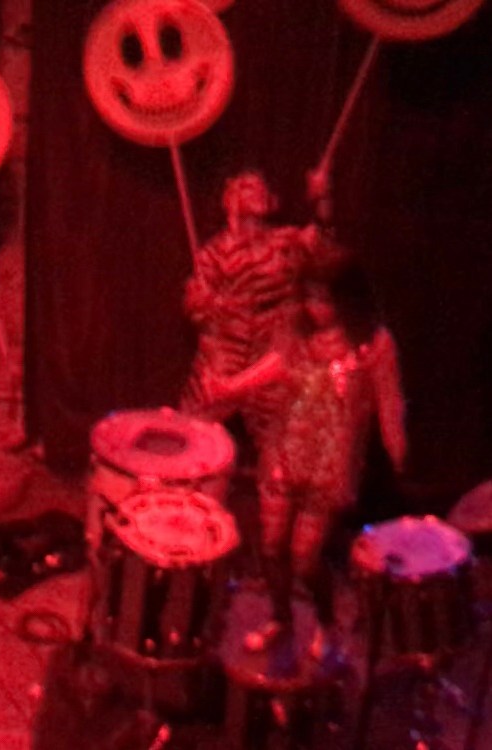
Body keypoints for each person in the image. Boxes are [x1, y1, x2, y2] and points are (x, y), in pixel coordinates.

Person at [204, 259, 407, 663]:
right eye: (310, 297)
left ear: (347, 300)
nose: (316, 307)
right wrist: (229, 387)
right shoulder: (296, 331)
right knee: (271, 547)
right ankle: (280, 618)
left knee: (305, 557)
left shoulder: (373, 343)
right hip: (285, 454)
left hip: (330, 466)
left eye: (325, 299)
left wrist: (396, 447)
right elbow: (275, 367)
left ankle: (326, 624)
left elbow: (389, 400)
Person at [181, 170, 342, 446]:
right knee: (192, 426)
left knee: (282, 436)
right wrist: (215, 304)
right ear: (231, 200)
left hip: (272, 352)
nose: (256, 191)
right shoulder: (214, 253)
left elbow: (323, 243)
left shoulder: (285, 242)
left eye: (260, 187)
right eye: (247, 187)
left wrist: (322, 198)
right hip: (228, 349)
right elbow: (195, 305)